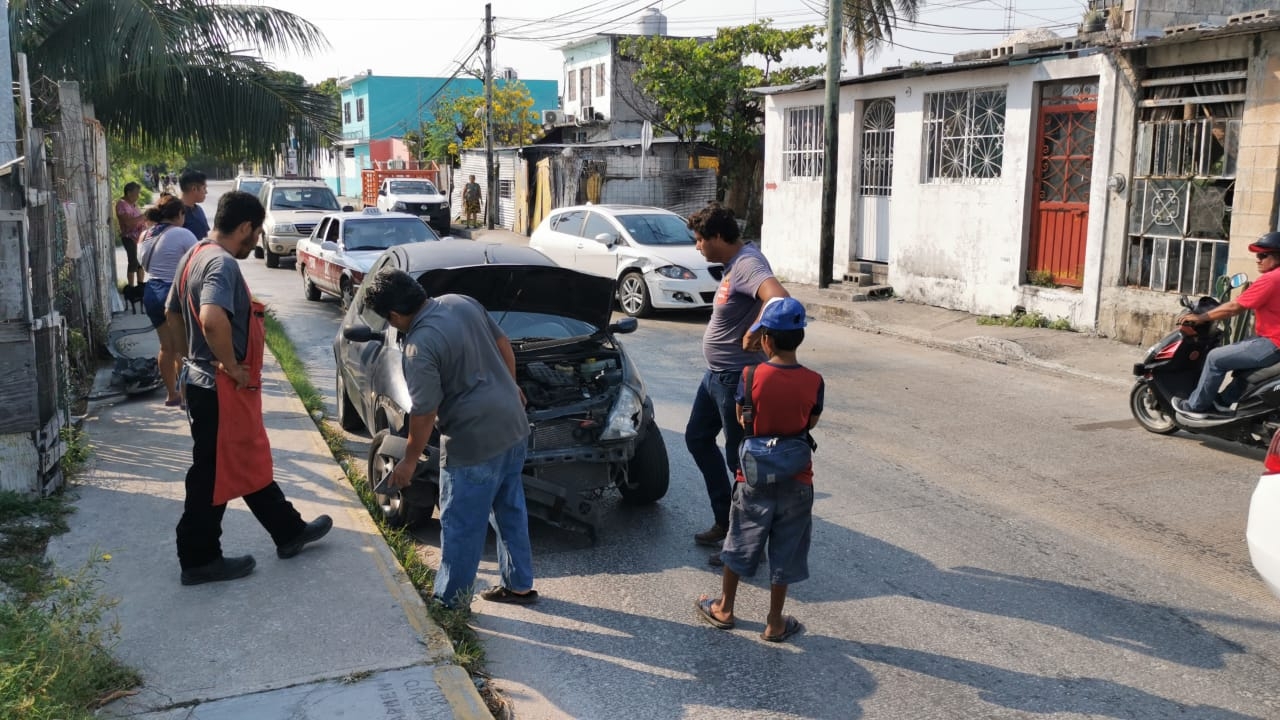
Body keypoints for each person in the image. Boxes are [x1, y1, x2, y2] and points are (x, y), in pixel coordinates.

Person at [165, 190, 331, 585]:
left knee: (244, 460)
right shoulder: (220, 264)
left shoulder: (194, 254)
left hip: (205, 382)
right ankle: (199, 557)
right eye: (255, 233)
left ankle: (288, 531)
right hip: (221, 387)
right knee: (212, 473)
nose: (256, 241)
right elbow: (211, 319)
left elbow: (172, 314)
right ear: (243, 227)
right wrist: (228, 365)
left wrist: (185, 358)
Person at [362, 268, 537, 610]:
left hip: (473, 443)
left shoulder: (418, 347)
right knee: (510, 509)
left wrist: (409, 461)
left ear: (395, 315)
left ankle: (451, 603)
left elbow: (425, 413)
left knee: (461, 524)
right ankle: (519, 585)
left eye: (388, 319)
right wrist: (510, 386)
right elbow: (504, 344)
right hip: (514, 428)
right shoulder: (461, 303)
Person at [695, 296, 822, 644]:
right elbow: (810, 422)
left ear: (765, 339)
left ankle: (725, 608)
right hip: (798, 478)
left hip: (752, 475)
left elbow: (741, 418)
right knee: (786, 546)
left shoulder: (750, 375)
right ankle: (775, 622)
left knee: (740, 540)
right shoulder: (814, 380)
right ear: (800, 337)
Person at [685, 202, 789, 552]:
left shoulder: (747, 264)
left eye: (700, 239)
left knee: (741, 461)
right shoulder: (735, 263)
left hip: (737, 379)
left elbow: (779, 298)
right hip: (717, 377)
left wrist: (758, 328)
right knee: (697, 438)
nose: (697, 246)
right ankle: (725, 520)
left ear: (717, 236)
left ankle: (747, 545)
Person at [1173, 231, 1280, 418]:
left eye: (1263, 255)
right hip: (1271, 341)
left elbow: (1234, 307)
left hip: (1273, 343)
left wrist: (1202, 317)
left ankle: (1196, 408)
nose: (1258, 260)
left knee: (1215, 358)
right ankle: (1222, 402)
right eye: (1257, 255)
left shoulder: (1271, 279)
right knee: (1243, 366)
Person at [138, 196, 198, 407]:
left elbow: (142, 264)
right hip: (173, 293)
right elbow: (198, 262)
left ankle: (172, 395)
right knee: (182, 348)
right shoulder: (183, 234)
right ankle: (186, 397)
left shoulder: (145, 234)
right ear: (180, 214)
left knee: (166, 347)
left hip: (151, 292)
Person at [115, 182, 145, 287]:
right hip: (129, 237)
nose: (138, 196)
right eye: (136, 193)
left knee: (139, 263)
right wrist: (144, 217)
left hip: (138, 238)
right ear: (128, 193)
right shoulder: (122, 204)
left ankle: (140, 286)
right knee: (133, 262)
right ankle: (131, 287)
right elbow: (128, 222)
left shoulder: (133, 204)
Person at [179, 170, 210, 240]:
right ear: (194, 189)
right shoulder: (175, 212)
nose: (206, 192)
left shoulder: (198, 209)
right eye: (204, 188)